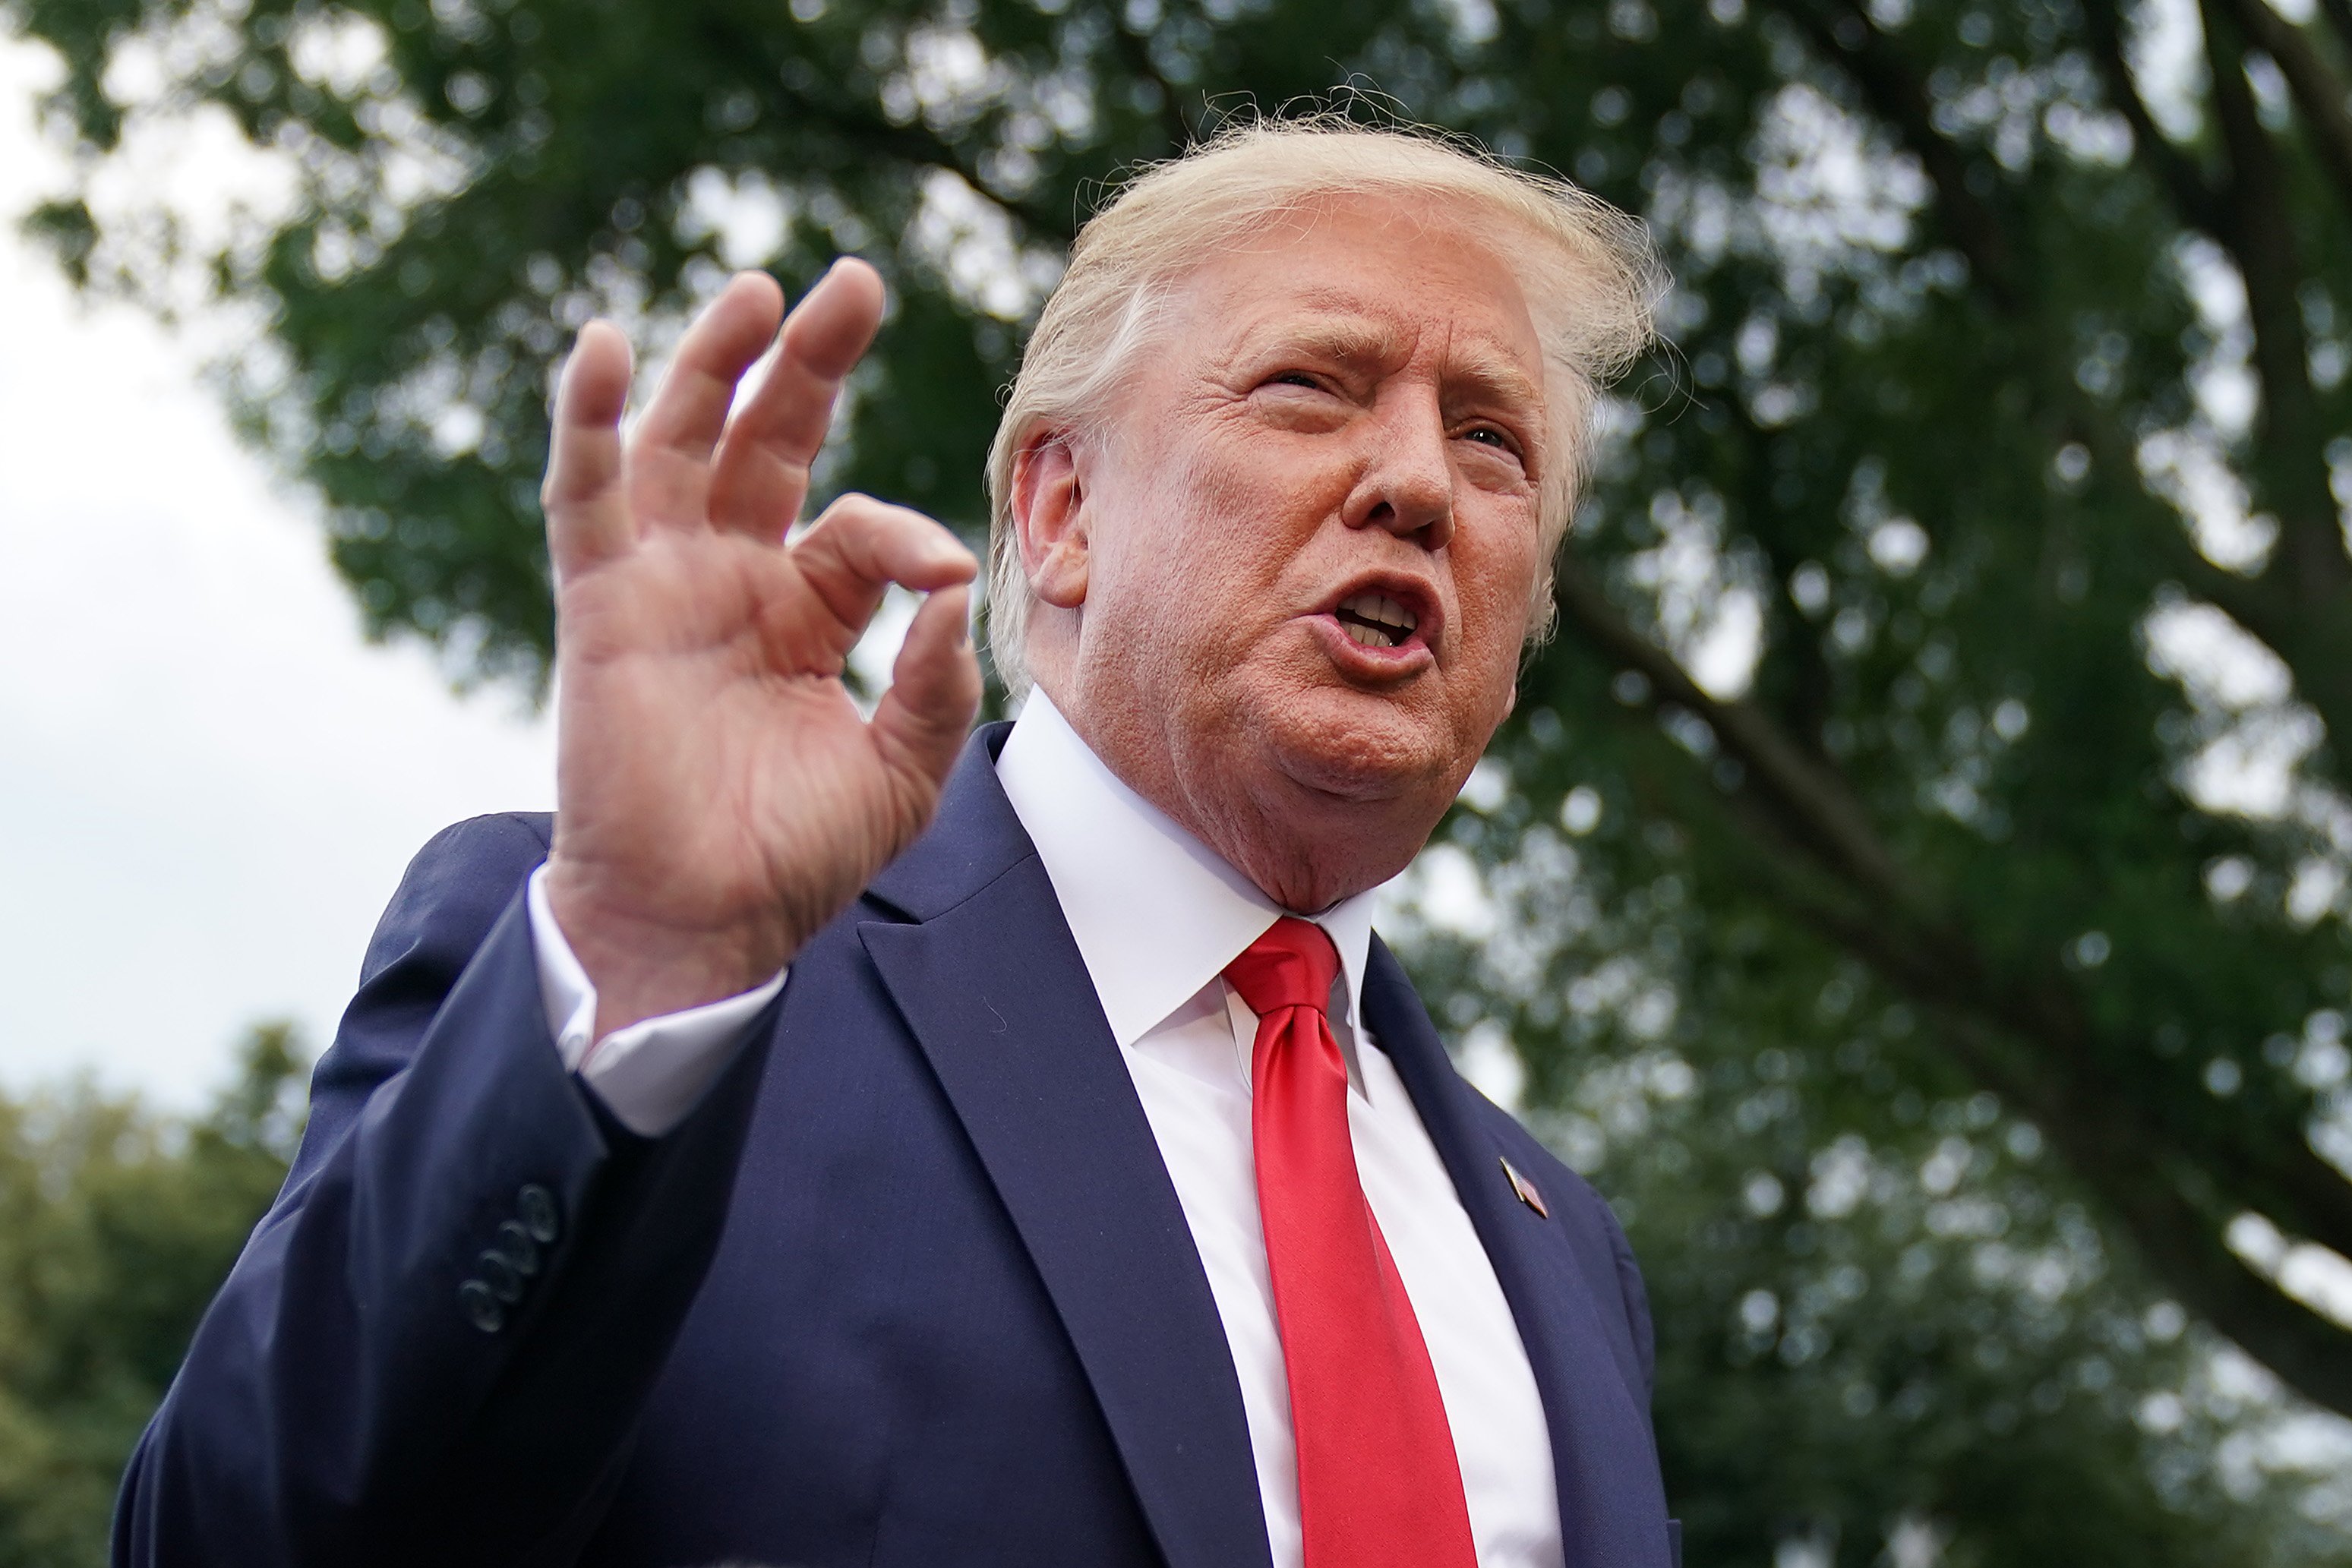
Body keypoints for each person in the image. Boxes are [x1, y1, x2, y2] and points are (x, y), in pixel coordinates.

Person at [114, 118, 1675, 1568]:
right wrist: (642, 966)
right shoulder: (664, 994)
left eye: (1491, 442)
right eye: (1312, 388)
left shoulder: (1564, 1245)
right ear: (1060, 511)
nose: (1413, 481)